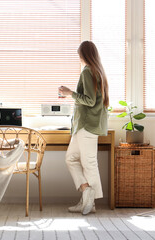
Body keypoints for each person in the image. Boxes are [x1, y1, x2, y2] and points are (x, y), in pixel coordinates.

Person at [58, 41, 109, 215]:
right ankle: (87, 192)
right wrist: (73, 96)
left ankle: (90, 202)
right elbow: (91, 99)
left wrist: (69, 93)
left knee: (89, 163)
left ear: (84, 54)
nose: (79, 57)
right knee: (71, 158)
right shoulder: (97, 71)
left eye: (79, 53)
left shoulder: (88, 71)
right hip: (84, 126)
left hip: (87, 125)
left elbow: (89, 100)